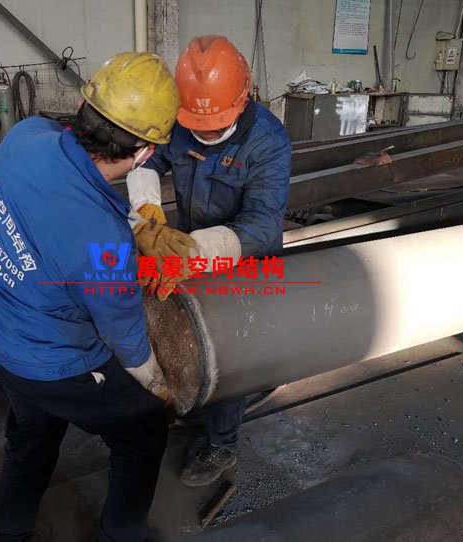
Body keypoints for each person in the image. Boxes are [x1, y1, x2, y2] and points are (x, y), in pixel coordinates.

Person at [0, 52, 195, 542]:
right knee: (142, 431)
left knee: (32, 435)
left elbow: (64, 204)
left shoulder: (24, 137)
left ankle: (6, 535)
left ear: (81, 105)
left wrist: (134, 224)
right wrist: (158, 387)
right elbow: (125, 337)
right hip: (53, 362)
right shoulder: (105, 242)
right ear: (144, 154)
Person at [126, 35, 292, 487]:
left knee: (228, 351)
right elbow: (147, 159)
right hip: (187, 246)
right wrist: (146, 208)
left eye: (217, 127)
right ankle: (195, 401)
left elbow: (262, 226)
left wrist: (194, 252)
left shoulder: (267, 141)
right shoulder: (182, 123)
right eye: (198, 125)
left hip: (241, 258)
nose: (207, 133)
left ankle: (223, 442)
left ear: (244, 96)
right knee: (182, 332)